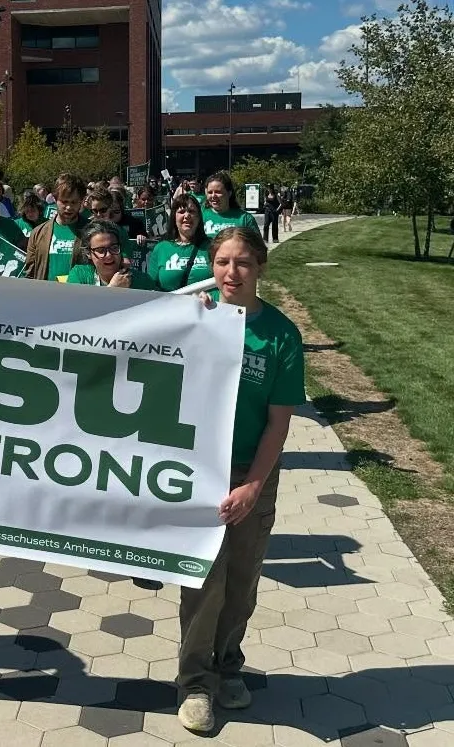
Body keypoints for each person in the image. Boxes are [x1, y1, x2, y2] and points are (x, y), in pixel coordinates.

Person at [176, 226, 305, 734]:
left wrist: (253, 485)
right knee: (204, 584)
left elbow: (278, 421)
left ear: (260, 268)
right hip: (197, 475)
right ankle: (195, 684)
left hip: (251, 474)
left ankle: (229, 665)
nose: (232, 273)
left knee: (242, 583)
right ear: (212, 265)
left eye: (244, 263)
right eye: (223, 262)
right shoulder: (193, 322)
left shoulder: (280, 335)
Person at [23, 172, 88, 281]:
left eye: (74, 202)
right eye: (64, 201)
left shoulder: (92, 231)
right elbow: (30, 272)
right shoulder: (38, 233)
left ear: (81, 201)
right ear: (55, 199)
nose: (68, 207)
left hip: (79, 295)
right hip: (46, 295)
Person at [146, 195, 213, 292]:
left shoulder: (212, 246)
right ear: (174, 217)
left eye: (191, 211)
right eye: (181, 212)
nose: (187, 216)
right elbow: (151, 287)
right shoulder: (161, 248)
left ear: (199, 217)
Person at [66, 219, 153, 289]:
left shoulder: (143, 281)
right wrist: (113, 289)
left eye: (114, 248)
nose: (109, 255)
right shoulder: (79, 275)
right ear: (88, 253)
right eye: (100, 250)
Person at [201, 172, 260, 239]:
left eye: (218, 192)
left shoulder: (245, 219)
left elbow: (259, 248)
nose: (213, 196)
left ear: (229, 193)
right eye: (210, 192)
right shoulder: (200, 216)